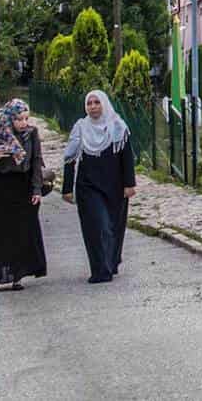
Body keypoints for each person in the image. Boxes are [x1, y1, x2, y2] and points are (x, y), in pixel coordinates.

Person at [62, 89, 136, 284]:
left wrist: (129, 184)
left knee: (113, 227)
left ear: (104, 104)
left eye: (96, 102)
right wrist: (67, 188)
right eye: (89, 103)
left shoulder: (118, 127)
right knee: (97, 227)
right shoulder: (80, 127)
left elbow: (127, 157)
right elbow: (70, 157)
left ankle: (111, 262)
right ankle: (100, 270)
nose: (93, 106)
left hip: (114, 186)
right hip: (88, 186)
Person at [0, 99, 47, 291]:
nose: (23, 123)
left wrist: (36, 189)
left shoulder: (31, 134)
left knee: (23, 231)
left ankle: (19, 275)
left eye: (26, 118)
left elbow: (36, 161)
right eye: (19, 119)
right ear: (9, 119)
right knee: (0, 233)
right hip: (0, 189)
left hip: (23, 186)